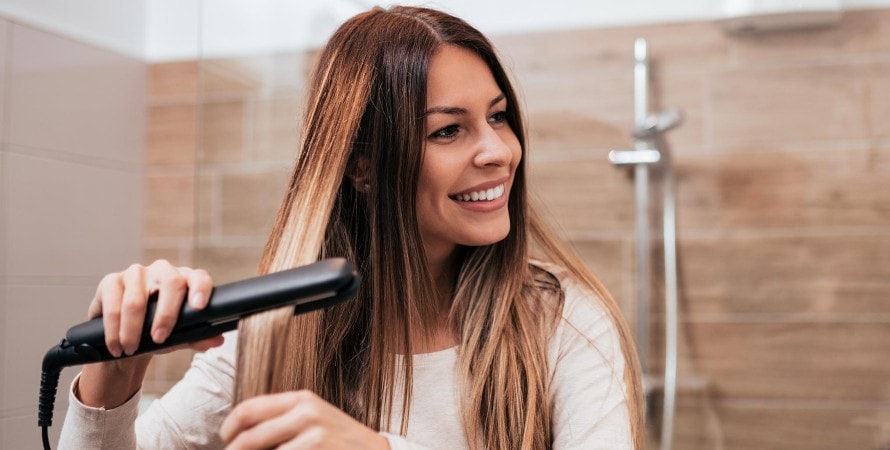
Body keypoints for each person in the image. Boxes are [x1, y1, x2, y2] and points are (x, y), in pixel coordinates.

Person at [59, 5, 643, 449]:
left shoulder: (564, 319)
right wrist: (112, 382)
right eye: (448, 130)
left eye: (497, 117)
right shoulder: (271, 334)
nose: (499, 151)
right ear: (362, 167)